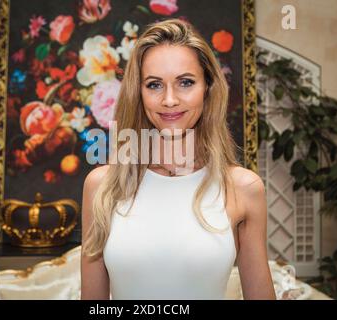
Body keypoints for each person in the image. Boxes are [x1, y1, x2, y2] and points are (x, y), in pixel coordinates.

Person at [80, 18, 276, 300]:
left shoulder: (244, 188)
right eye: (154, 85)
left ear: (207, 88)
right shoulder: (102, 186)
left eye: (185, 82)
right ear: (139, 94)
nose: (169, 100)